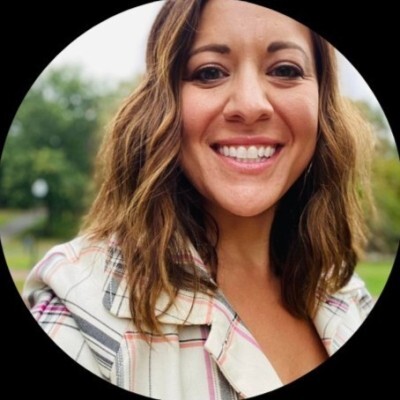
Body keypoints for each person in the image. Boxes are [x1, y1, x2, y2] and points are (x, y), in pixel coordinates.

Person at [23, 0, 375, 398]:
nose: (250, 105)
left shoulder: (346, 294)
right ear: (161, 105)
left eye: (285, 70)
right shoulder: (78, 311)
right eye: (209, 72)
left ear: (322, 101)